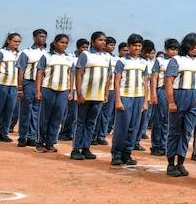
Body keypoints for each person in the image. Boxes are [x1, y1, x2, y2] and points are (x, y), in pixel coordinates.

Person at [164, 33, 196, 177]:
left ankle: (180, 163)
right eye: (193, 45)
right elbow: (169, 81)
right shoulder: (176, 60)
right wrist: (171, 102)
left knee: (187, 132)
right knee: (175, 131)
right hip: (180, 95)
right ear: (187, 45)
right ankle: (170, 164)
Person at [111, 34, 150, 167]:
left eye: (139, 46)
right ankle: (116, 155)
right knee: (122, 127)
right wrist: (118, 100)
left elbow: (145, 82)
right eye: (135, 45)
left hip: (138, 97)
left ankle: (127, 154)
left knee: (134, 127)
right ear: (129, 46)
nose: (137, 48)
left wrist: (145, 101)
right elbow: (116, 81)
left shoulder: (144, 62)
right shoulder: (122, 61)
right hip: (125, 96)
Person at [72, 31, 111, 160]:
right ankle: (76, 149)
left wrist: (105, 94)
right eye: (100, 40)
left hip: (98, 96)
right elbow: (78, 74)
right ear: (93, 42)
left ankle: (86, 147)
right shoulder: (85, 55)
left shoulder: (107, 57)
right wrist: (79, 93)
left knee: (91, 123)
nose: (103, 42)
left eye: (104, 40)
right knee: (80, 122)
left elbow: (108, 77)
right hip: (85, 95)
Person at [35, 33, 73, 153]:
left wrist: (71, 91)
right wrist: (38, 90)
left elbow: (71, 75)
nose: (64, 45)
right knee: (44, 117)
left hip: (63, 91)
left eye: (66, 43)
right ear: (55, 43)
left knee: (57, 118)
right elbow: (39, 73)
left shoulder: (69, 57)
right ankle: (40, 142)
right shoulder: (46, 56)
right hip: (48, 89)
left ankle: (50, 142)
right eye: (62, 42)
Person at [16, 28, 48, 147]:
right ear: (34, 37)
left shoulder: (47, 53)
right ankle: (22, 137)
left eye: (44, 37)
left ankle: (32, 136)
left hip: (41, 84)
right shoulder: (26, 52)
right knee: (25, 110)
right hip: (28, 82)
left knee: (36, 111)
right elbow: (21, 70)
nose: (43, 38)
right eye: (40, 36)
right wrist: (20, 87)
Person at [0, 32, 21, 143]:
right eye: (15, 41)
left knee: (9, 111)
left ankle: (4, 132)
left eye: (18, 42)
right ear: (8, 41)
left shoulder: (20, 54)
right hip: (2, 85)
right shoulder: (1, 53)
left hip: (14, 86)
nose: (17, 43)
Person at [149, 38, 178, 156]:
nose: (174, 52)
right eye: (172, 49)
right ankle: (155, 145)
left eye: (176, 49)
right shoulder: (159, 60)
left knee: (168, 119)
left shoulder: (178, 61)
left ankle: (164, 144)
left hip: (173, 92)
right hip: (161, 90)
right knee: (158, 119)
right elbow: (154, 77)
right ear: (166, 49)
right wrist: (153, 93)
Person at [59, 38, 88, 141]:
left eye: (86, 48)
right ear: (78, 47)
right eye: (83, 47)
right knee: (70, 113)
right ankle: (64, 132)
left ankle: (70, 132)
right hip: (72, 88)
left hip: (81, 89)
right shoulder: (71, 57)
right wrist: (70, 89)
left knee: (77, 113)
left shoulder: (87, 57)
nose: (85, 49)